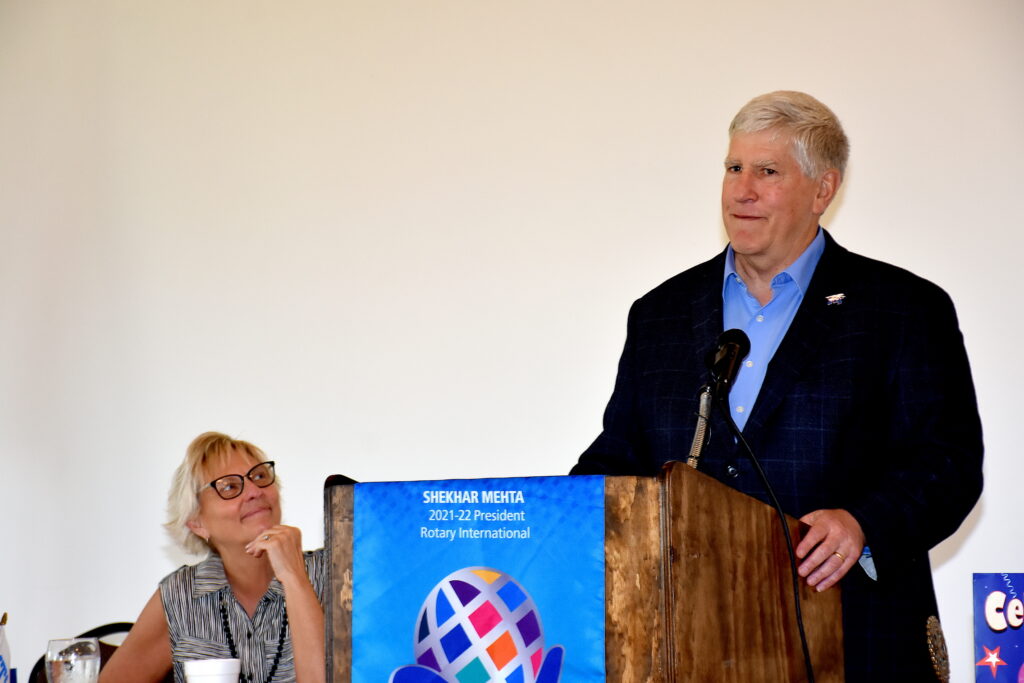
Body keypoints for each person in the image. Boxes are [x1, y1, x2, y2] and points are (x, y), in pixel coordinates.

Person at [571, 91, 983, 680]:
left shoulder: (902, 309)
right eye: (734, 168)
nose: (742, 190)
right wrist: (563, 514)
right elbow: (620, 454)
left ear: (823, 190)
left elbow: (947, 463)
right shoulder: (660, 312)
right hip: (688, 641)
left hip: (852, 636)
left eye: (767, 172)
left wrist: (862, 523)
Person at [101, 432, 326, 683]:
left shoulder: (336, 574)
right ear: (197, 523)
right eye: (230, 486)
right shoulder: (181, 595)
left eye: (260, 477)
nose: (254, 491)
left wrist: (294, 577)